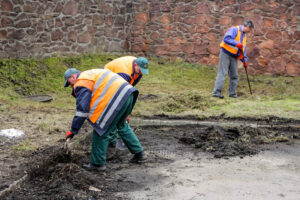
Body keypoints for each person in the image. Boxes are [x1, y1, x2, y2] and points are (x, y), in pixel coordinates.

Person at [64, 68, 147, 171]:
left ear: (72, 77)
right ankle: (140, 154)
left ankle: (97, 164)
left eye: (69, 83)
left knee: (101, 130)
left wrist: (73, 130)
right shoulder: (90, 74)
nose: (71, 86)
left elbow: (82, 110)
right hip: (128, 93)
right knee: (122, 125)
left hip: (116, 98)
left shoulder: (81, 81)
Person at [103, 56, 149, 149]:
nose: (141, 73)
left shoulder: (138, 70)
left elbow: (130, 89)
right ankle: (112, 141)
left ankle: (114, 139)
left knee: (120, 114)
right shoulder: (124, 73)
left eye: (142, 71)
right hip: (106, 82)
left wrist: (126, 111)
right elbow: (120, 93)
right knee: (113, 114)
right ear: (136, 65)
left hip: (118, 83)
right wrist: (123, 111)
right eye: (140, 70)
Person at [212, 20, 254, 99]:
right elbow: (226, 39)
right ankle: (216, 92)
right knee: (223, 73)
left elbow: (243, 49)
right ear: (248, 26)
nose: (250, 31)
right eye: (250, 29)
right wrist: (236, 43)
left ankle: (232, 93)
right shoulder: (234, 30)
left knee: (234, 75)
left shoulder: (244, 36)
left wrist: (244, 61)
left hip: (234, 56)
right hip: (225, 53)